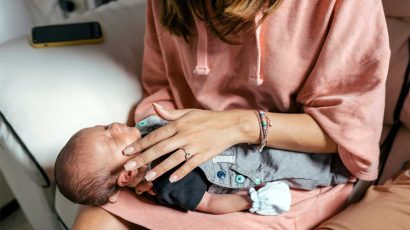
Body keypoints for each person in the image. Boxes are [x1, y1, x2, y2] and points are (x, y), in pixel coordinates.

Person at [73, 0, 390, 229]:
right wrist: (150, 153)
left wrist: (238, 125)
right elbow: (160, 89)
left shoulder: (348, 5)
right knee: (92, 220)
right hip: (193, 163)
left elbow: (348, 133)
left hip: (287, 173)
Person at [55, 115, 350, 215]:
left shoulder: (146, 126)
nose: (117, 126)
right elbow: (209, 204)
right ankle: (344, 169)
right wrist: (251, 201)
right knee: (310, 166)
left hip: (249, 130)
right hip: (257, 166)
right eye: (113, 140)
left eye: (106, 126)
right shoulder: (168, 184)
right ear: (127, 174)